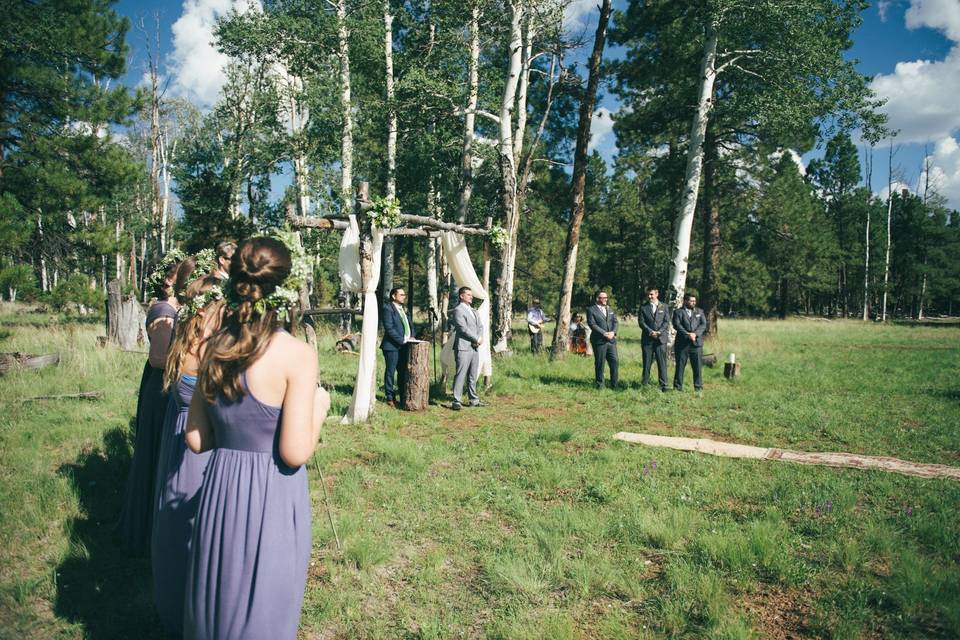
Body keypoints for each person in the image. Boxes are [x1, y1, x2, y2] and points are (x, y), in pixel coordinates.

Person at [184, 237, 330, 640]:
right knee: (263, 607)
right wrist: (319, 407)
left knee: (218, 599)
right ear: (284, 288)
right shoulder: (297, 354)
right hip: (270, 496)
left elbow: (196, 438)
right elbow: (294, 451)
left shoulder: (214, 347)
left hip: (220, 492)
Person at [151, 258, 222, 633]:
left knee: (174, 516)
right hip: (200, 443)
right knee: (194, 524)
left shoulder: (184, 339)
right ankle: (193, 608)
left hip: (177, 432)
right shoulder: (209, 352)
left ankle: (172, 600)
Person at [116, 255, 183, 556]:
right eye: (179, 276)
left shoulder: (172, 309)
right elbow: (158, 359)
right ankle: (146, 530)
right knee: (155, 453)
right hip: (162, 386)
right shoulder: (163, 311)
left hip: (165, 383)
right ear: (168, 280)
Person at [449, 286, 483, 410]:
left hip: (474, 347)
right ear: (461, 296)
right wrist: (476, 339)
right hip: (463, 346)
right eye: (468, 294)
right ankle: (456, 401)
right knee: (461, 373)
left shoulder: (474, 311)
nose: (471, 296)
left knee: (472, 374)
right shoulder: (458, 310)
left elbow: (480, 326)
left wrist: (478, 339)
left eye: (471, 294)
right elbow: (462, 329)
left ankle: (473, 399)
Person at [381, 287, 414, 408]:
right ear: (393, 296)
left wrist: (412, 337)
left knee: (402, 372)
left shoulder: (403, 309)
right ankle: (390, 397)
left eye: (404, 295)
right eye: (401, 295)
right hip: (391, 346)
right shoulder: (388, 309)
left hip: (405, 345)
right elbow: (389, 328)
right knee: (390, 372)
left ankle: (403, 396)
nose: (404, 297)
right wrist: (402, 340)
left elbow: (409, 325)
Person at [673, 292, 708, 392]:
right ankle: (677, 388)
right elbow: (677, 325)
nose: (693, 303)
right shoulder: (678, 312)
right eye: (691, 301)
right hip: (682, 344)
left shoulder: (699, 311)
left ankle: (698, 388)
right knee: (680, 367)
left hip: (696, 344)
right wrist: (688, 334)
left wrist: (695, 334)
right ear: (685, 301)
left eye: (694, 301)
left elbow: (703, 324)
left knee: (697, 367)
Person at [639, 286, 670, 391]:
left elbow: (666, 322)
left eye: (651, 294)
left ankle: (664, 385)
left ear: (657, 294)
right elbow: (641, 322)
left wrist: (659, 332)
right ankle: (645, 384)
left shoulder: (664, 306)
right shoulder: (643, 307)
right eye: (648, 294)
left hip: (661, 339)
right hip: (647, 340)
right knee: (647, 362)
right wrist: (650, 331)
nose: (649, 296)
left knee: (662, 363)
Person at [587, 291, 619, 389]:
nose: (605, 299)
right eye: (603, 297)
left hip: (611, 340)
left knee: (615, 361)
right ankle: (600, 384)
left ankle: (614, 385)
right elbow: (592, 324)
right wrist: (604, 333)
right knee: (600, 362)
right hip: (599, 341)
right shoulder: (591, 309)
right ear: (597, 298)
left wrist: (613, 332)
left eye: (606, 297)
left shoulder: (610, 309)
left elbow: (615, 322)